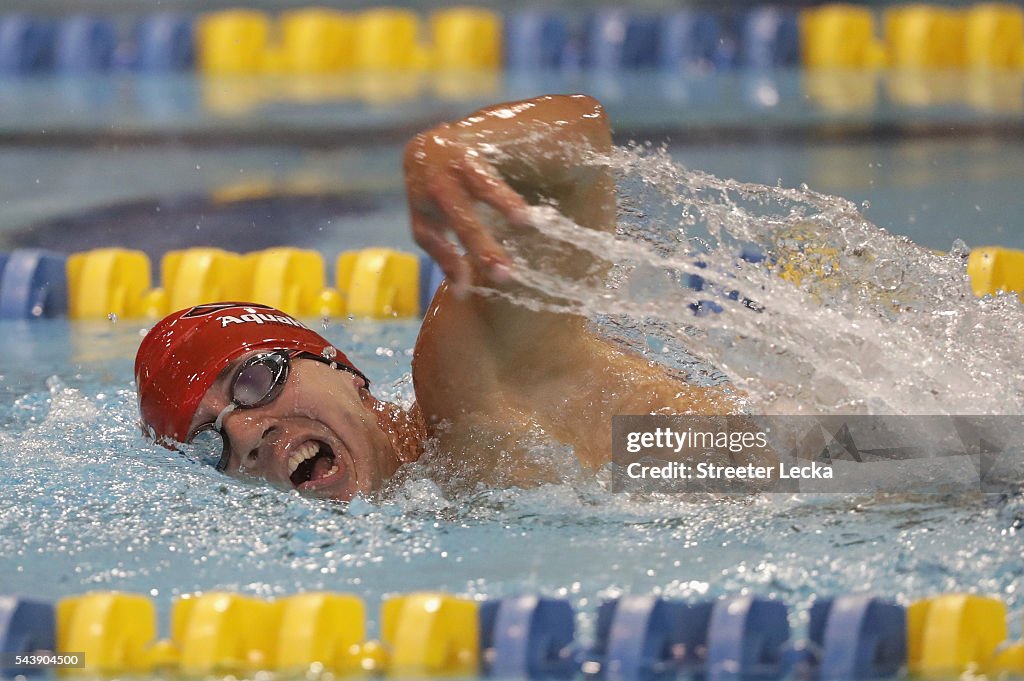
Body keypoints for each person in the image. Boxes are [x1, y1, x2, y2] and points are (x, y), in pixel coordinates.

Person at [135, 94, 743, 501]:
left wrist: (459, 148)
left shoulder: (469, 380)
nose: (245, 433)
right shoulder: (427, 498)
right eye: (209, 440)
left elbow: (580, 141)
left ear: (341, 369)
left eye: (252, 382)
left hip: (820, 463)